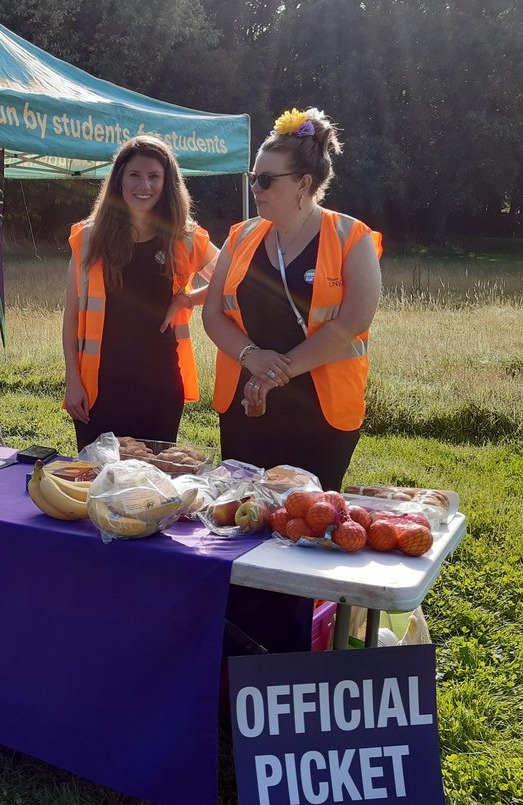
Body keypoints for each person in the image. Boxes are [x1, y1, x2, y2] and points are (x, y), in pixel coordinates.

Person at [202, 106, 383, 654]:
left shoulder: (351, 237)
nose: (255, 188)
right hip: (247, 405)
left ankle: (292, 655)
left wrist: (279, 370)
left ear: (304, 184)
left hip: (320, 414)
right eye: (254, 178)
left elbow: (354, 322)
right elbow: (213, 316)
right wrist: (253, 357)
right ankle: (239, 649)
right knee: (245, 522)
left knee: (306, 529)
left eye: (265, 180)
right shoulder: (241, 236)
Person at [63, 136, 219, 451]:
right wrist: (73, 380)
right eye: (134, 174)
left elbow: (234, 278)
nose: (143, 184)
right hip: (99, 387)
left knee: (151, 486)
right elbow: (72, 315)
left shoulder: (185, 238)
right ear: (119, 180)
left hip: (159, 387)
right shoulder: (89, 239)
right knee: (97, 481)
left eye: (154, 176)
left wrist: (189, 299)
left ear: (167, 183)